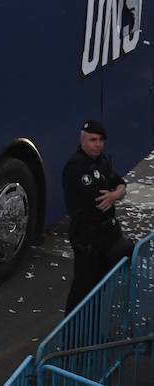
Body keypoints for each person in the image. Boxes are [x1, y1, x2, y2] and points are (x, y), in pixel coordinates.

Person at [63, 119, 134, 312]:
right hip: (88, 238)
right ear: (82, 140)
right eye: (93, 140)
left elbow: (120, 184)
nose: (98, 144)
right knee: (84, 289)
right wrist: (114, 193)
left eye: (101, 140)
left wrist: (116, 194)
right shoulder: (76, 167)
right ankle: (73, 338)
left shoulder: (101, 160)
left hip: (107, 235)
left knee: (101, 287)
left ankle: (94, 334)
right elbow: (100, 201)